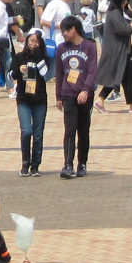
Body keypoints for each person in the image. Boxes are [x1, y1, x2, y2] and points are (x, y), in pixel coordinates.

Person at [55, 17, 98, 179]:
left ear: (73, 29)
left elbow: (93, 71)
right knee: (69, 130)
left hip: (85, 95)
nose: (63, 34)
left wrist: (86, 90)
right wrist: (58, 95)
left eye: (65, 31)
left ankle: (82, 163)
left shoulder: (90, 47)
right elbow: (59, 73)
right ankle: (68, 164)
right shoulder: (61, 48)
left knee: (83, 130)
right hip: (68, 94)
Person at [11, 29, 51, 176]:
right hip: (24, 100)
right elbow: (11, 75)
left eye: (36, 42)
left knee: (38, 134)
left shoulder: (44, 58)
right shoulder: (19, 57)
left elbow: (45, 73)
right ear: (27, 42)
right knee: (26, 131)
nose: (33, 44)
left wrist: (38, 55)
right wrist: (18, 70)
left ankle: (35, 165)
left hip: (40, 100)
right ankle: (25, 162)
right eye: (31, 41)